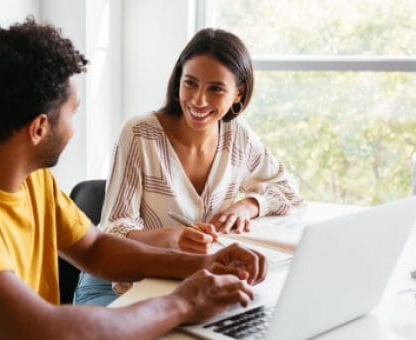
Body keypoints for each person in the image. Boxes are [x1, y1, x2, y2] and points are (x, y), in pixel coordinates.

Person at [0, 18, 269, 340]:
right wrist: (183, 302)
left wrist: (202, 263)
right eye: (72, 113)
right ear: (38, 129)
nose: (73, 128)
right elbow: (38, 331)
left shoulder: (28, 176)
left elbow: (94, 249)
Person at [74, 28, 303, 306]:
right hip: (117, 282)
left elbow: (288, 189)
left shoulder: (237, 136)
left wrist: (247, 205)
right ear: (178, 81)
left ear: (238, 94)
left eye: (216, 89)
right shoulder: (140, 134)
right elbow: (114, 231)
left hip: (186, 282)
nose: (198, 100)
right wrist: (173, 239)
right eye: (190, 83)